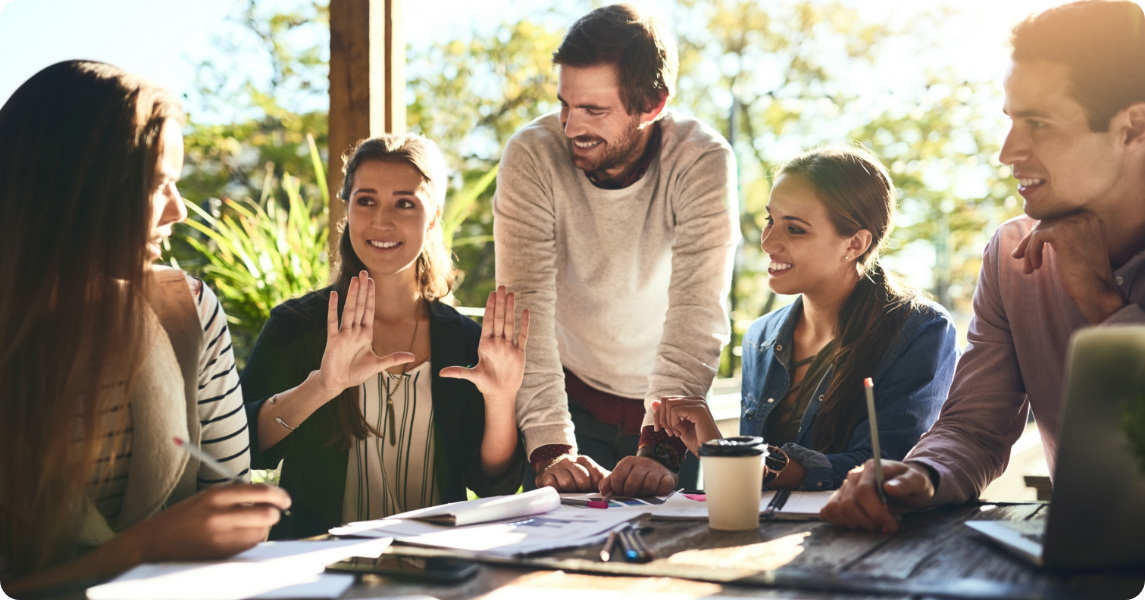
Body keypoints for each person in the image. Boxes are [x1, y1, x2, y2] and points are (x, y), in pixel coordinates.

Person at [821, 0, 1145, 532]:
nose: (1007, 151)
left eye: (1038, 123)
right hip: (1086, 558)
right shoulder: (1012, 257)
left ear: (1132, 127)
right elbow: (975, 428)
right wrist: (921, 474)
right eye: (1012, 121)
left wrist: (1101, 302)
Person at [0, 61, 289, 595]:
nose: (178, 211)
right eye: (157, 186)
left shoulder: (191, 311)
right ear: (73, 190)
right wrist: (142, 547)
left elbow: (228, 506)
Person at [493, 3, 739, 496]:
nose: (570, 127)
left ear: (653, 105)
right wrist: (550, 448)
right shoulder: (532, 155)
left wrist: (663, 447)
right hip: (566, 393)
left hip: (669, 408)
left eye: (593, 111)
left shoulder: (702, 160)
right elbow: (528, 311)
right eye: (565, 103)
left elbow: (697, 309)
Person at [241, 134, 528, 540]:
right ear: (348, 208)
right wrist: (322, 386)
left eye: (404, 203)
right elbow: (247, 444)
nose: (382, 221)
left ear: (433, 217)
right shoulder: (296, 326)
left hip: (434, 569)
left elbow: (494, 485)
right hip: (316, 575)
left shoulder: (467, 342)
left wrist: (501, 400)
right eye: (366, 200)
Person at [650, 145, 958, 493]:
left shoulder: (921, 330)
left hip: (862, 539)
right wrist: (717, 450)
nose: (767, 242)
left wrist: (741, 460)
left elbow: (890, 467)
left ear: (854, 244)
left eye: (794, 229)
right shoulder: (760, 336)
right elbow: (758, 482)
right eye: (770, 220)